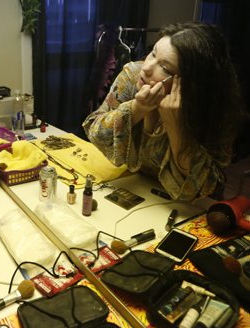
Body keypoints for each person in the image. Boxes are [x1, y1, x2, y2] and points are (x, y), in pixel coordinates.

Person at [83, 22, 243, 201]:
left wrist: (175, 127)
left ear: (190, 83)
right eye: (153, 53)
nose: (147, 67)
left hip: (191, 209)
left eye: (165, 67)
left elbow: (201, 189)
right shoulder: (133, 76)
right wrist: (137, 108)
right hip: (138, 189)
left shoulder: (211, 108)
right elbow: (94, 131)